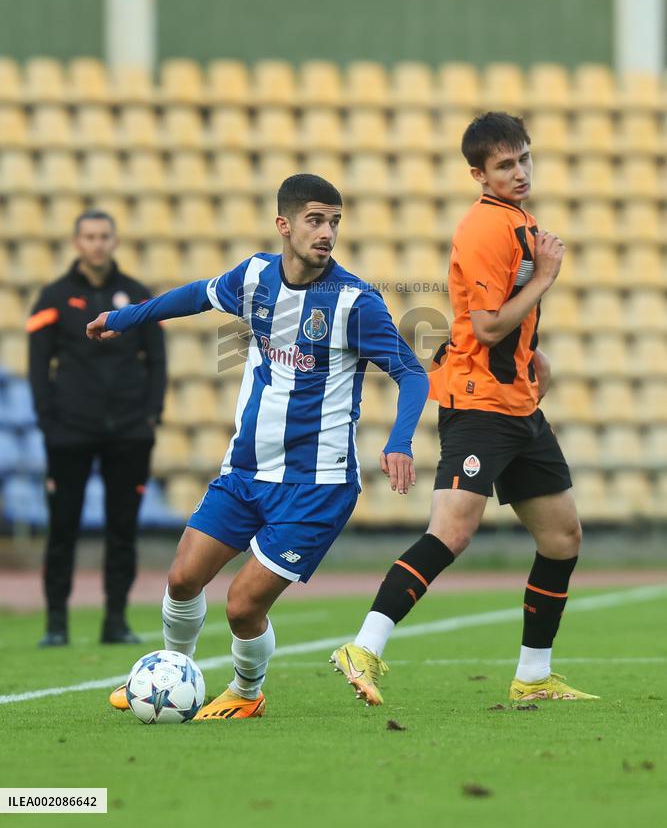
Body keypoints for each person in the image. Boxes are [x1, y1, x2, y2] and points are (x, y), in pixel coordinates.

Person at [88, 174, 429, 720]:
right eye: (316, 220)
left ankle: (247, 692)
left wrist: (400, 440)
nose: (327, 233)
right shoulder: (254, 278)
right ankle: (173, 676)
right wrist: (125, 319)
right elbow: (196, 295)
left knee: (242, 606)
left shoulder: (354, 302)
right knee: (181, 579)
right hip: (245, 471)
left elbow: (413, 374)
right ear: (284, 224)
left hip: (314, 486)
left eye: (335, 221)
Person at [332, 112, 598, 705]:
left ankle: (532, 678)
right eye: (505, 165)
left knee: (562, 537)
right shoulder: (484, 228)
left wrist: (535, 358)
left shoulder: (521, 221)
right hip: (478, 403)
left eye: (524, 158)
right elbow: (486, 322)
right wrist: (547, 276)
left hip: (518, 403)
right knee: (451, 532)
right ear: (478, 174)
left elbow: (511, 322)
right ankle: (363, 647)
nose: (520, 171)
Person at [27, 210, 166, 647]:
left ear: (114, 240)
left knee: (122, 529)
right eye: (89, 236)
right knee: (62, 527)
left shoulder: (138, 296)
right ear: (77, 242)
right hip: (69, 431)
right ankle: (55, 623)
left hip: (129, 431)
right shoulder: (53, 297)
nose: (97, 244)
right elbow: (37, 365)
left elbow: (158, 360)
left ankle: (116, 621)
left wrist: (151, 415)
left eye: (104, 236)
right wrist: (49, 422)